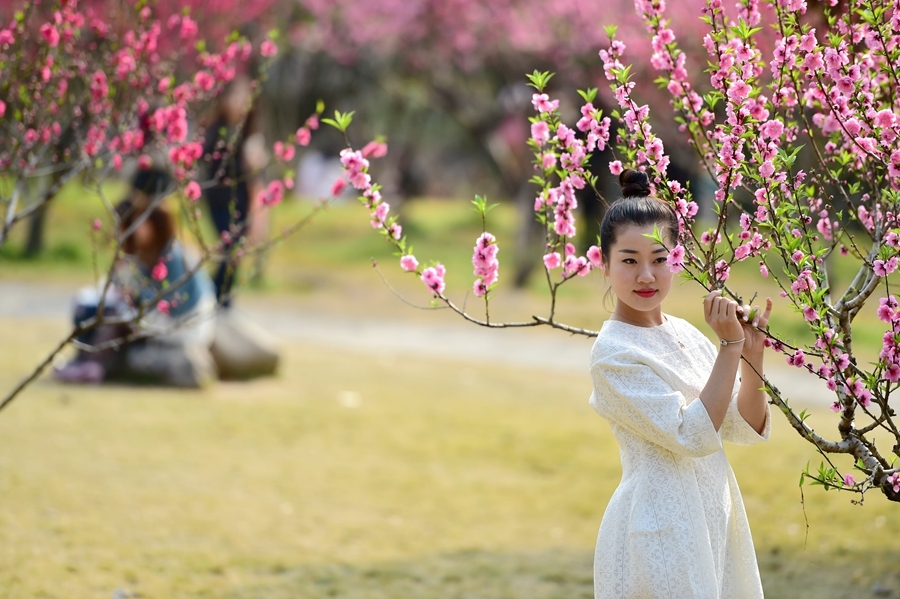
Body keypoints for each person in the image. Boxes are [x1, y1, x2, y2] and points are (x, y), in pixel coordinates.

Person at [589, 168, 773, 599]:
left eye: (659, 258)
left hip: (712, 512)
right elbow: (690, 434)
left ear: (677, 258)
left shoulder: (686, 333)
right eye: (629, 261)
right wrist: (728, 346)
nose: (646, 276)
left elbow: (738, 427)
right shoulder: (613, 353)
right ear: (604, 263)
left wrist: (752, 354)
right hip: (658, 527)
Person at [55, 168, 217, 387]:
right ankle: (83, 362)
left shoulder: (175, 256)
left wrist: (133, 289)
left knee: (117, 313)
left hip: (184, 326)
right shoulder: (145, 255)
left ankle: (92, 365)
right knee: (94, 308)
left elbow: (171, 306)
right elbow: (120, 289)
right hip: (162, 320)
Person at [201, 74, 266, 308]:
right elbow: (207, 161)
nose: (239, 103)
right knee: (230, 247)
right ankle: (213, 297)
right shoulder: (215, 131)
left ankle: (224, 299)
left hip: (241, 201)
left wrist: (256, 162)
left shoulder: (249, 134)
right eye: (235, 97)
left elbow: (255, 176)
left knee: (235, 251)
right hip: (218, 199)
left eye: (244, 98)